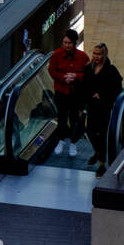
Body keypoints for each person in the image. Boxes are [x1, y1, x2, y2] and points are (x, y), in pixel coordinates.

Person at [80, 42, 122, 177]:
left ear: (104, 55)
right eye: (95, 53)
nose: (96, 56)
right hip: (92, 107)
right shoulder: (88, 69)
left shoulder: (111, 71)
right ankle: (98, 152)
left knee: (102, 135)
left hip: (104, 108)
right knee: (90, 132)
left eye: (99, 54)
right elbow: (83, 86)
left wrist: (102, 95)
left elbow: (117, 90)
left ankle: (102, 164)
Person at [48, 29, 89, 157]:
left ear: (74, 43)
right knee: (61, 118)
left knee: (74, 119)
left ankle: (73, 143)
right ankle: (61, 140)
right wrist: (63, 77)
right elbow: (52, 71)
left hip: (76, 94)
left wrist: (76, 76)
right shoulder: (56, 55)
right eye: (64, 42)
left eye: (69, 43)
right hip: (61, 92)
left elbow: (88, 75)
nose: (66, 45)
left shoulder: (83, 57)